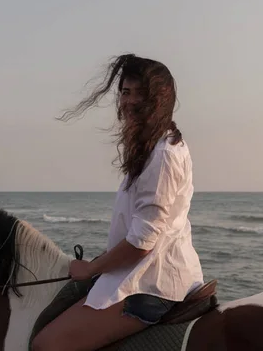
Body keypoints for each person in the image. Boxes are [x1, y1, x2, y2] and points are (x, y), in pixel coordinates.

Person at [31, 54, 204, 351]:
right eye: (125, 92)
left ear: (161, 99)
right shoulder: (149, 149)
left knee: (47, 344)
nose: (130, 101)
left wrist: (93, 268)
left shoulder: (162, 154)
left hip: (154, 283)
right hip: (141, 272)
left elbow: (142, 241)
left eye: (141, 94)